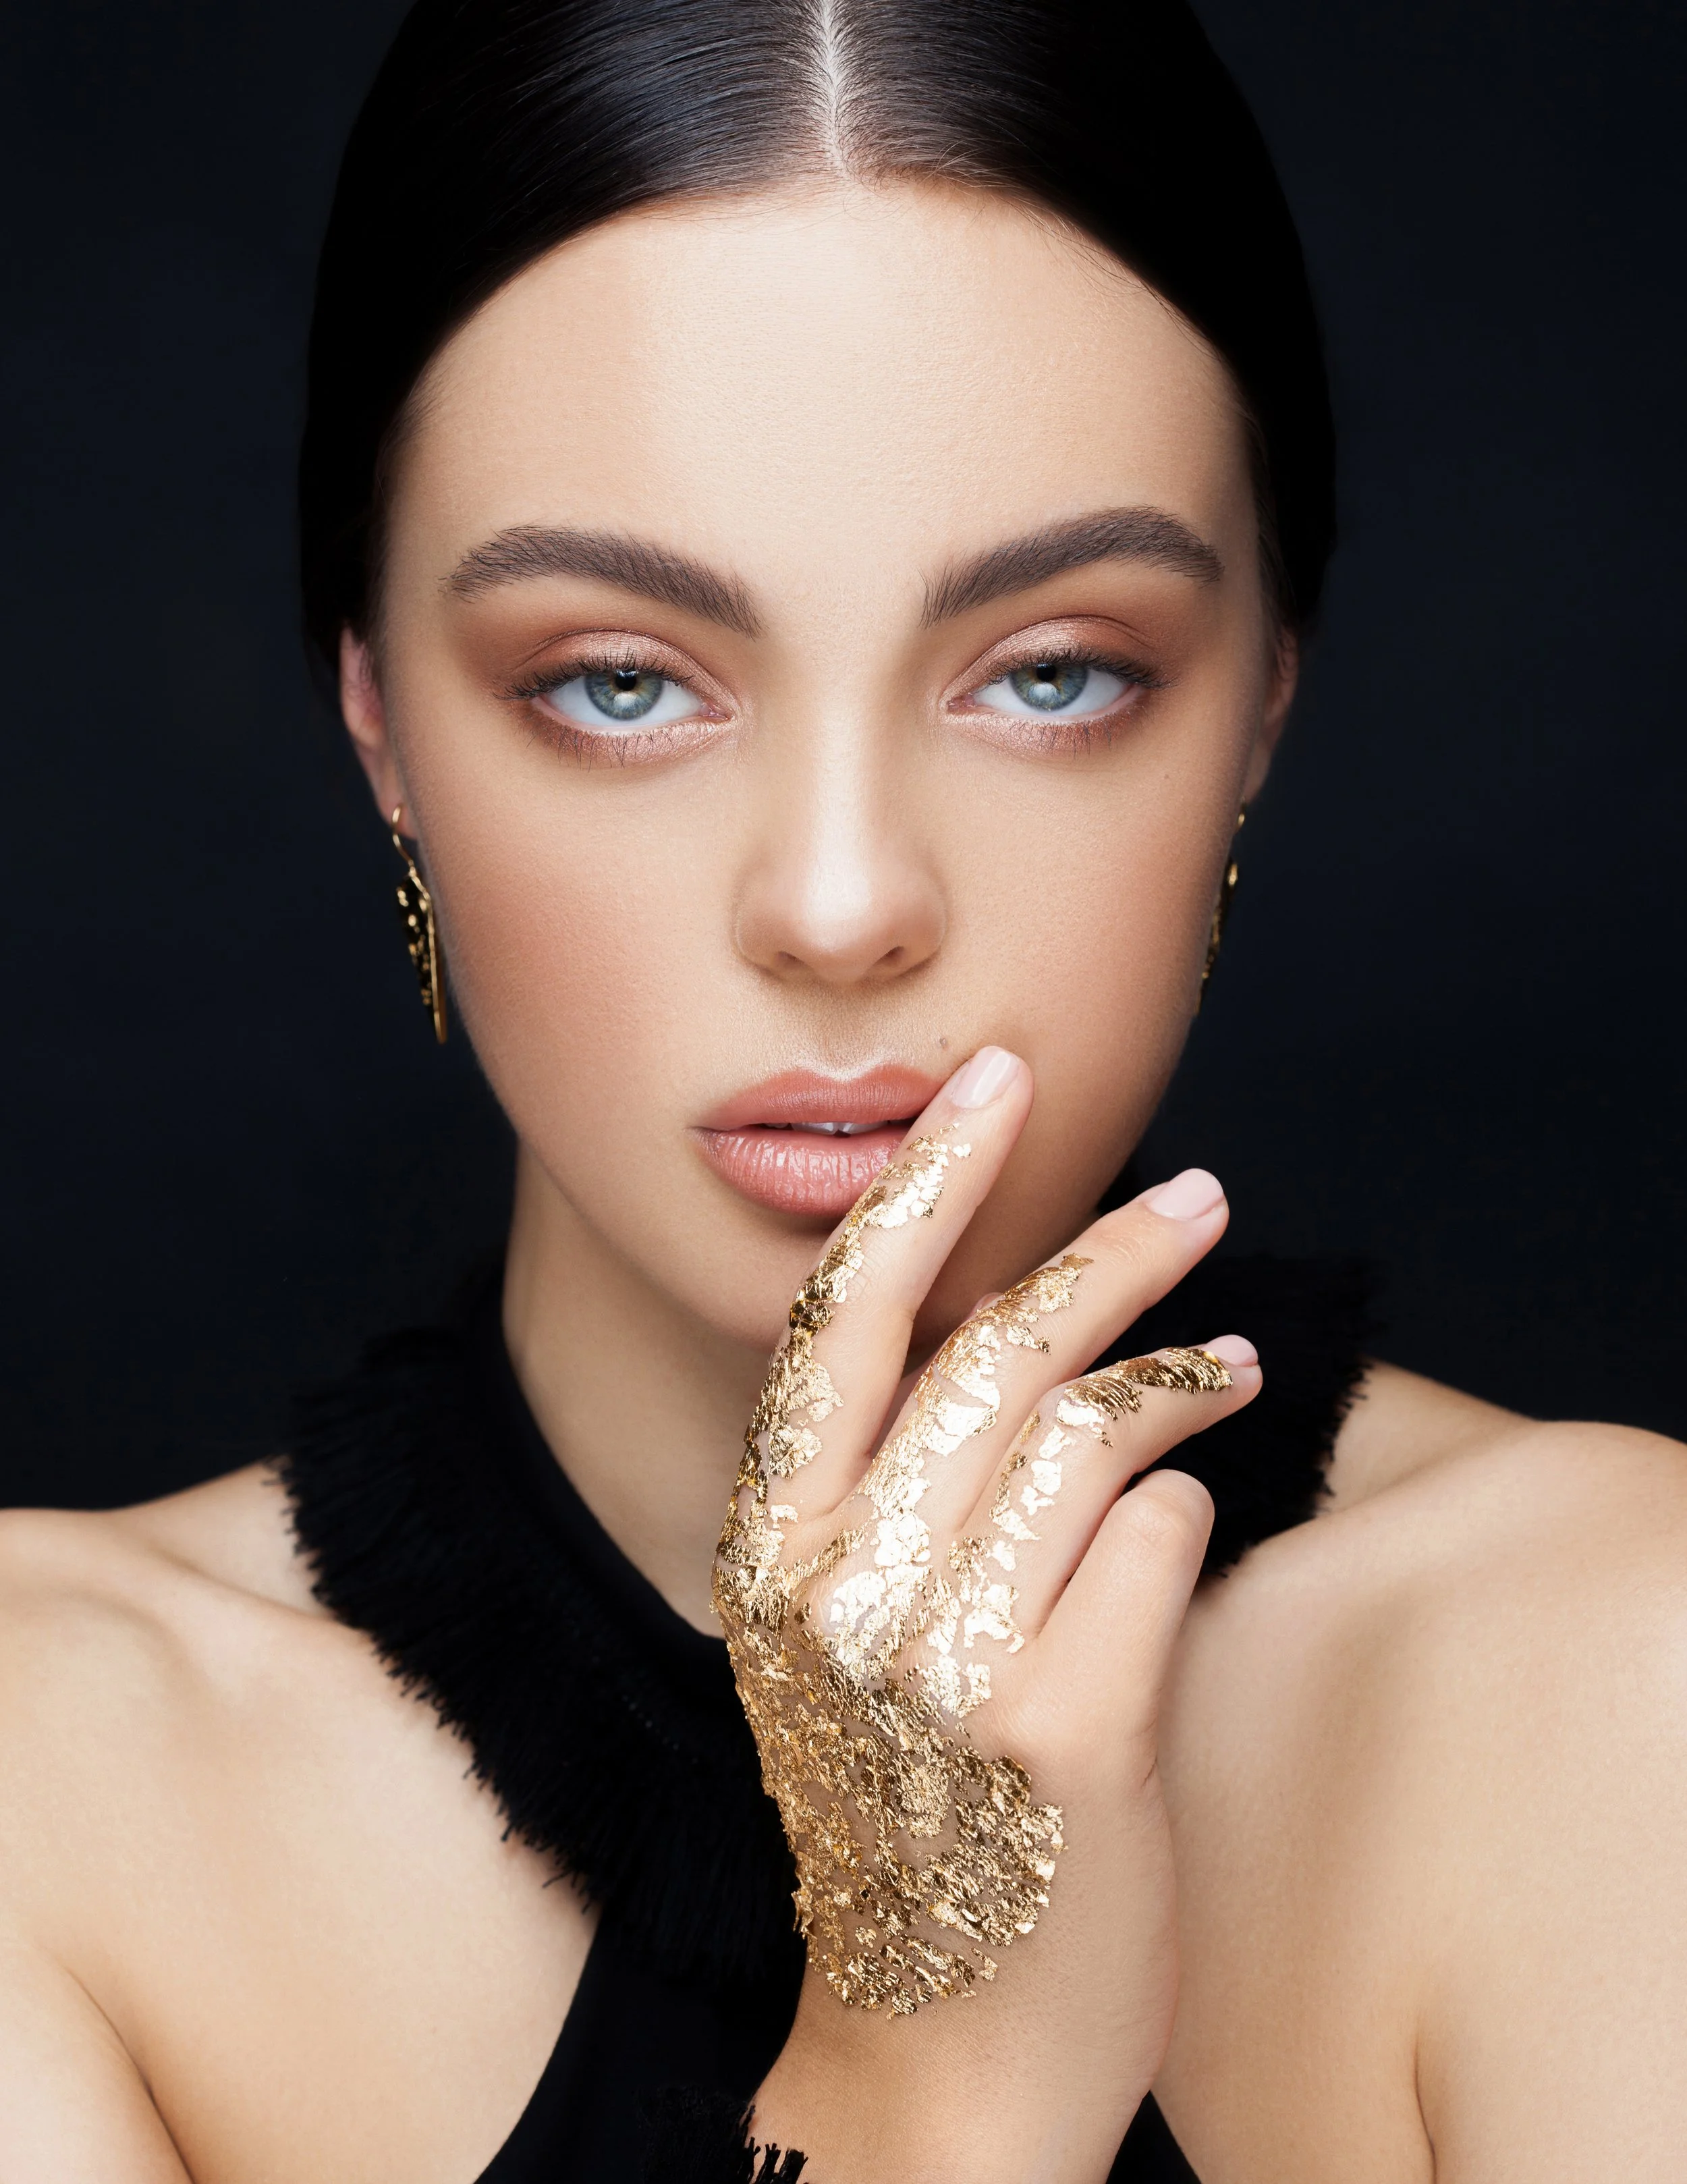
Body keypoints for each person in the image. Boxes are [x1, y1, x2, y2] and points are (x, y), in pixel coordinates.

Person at [3, 1, 1684, 2178]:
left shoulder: (1615, 1676)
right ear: (381, 725)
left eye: (1053, 672)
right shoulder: (46, 1776)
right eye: (619, 681)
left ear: (1257, 707)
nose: (838, 901)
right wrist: (932, 2082)